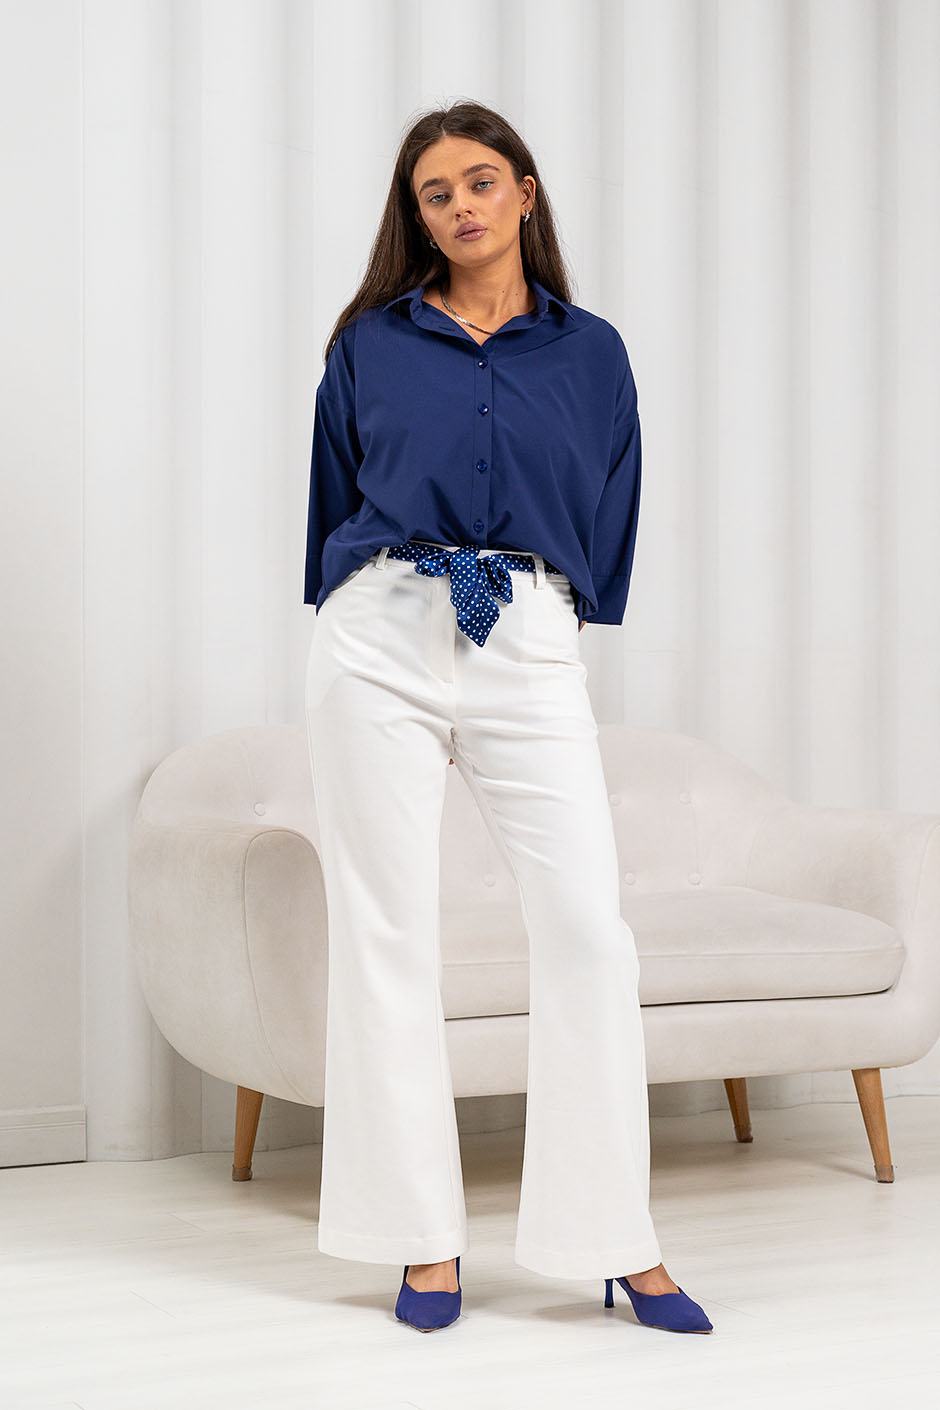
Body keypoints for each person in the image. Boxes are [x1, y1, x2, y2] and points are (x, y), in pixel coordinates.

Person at [303, 100, 712, 1335]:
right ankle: (420, 1241)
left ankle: (614, 1238)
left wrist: (553, 621)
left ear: (524, 193)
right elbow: (331, 498)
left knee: (587, 931)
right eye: (435, 193)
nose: (461, 206)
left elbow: (611, 502)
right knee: (386, 931)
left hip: (523, 629)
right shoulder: (370, 343)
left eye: (480, 181)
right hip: (381, 628)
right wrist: (364, 603)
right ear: (417, 217)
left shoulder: (592, 352)